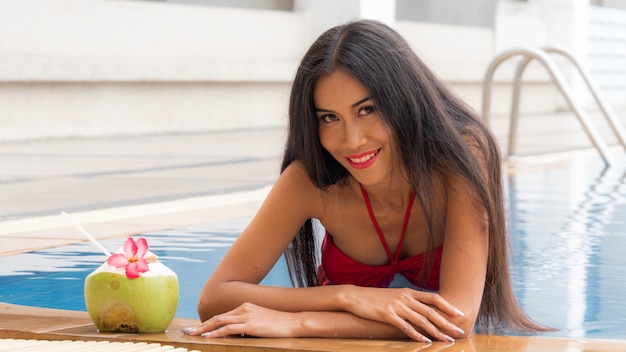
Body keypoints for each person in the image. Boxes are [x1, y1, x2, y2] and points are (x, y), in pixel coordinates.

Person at [183, 19, 550, 343]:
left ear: (402, 101)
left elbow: (456, 320)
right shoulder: (311, 179)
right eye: (329, 117)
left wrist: (303, 323)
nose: (352, 140)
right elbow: (214, 297)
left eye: (367, 110)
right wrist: (346, 296)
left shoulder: (462, 155)